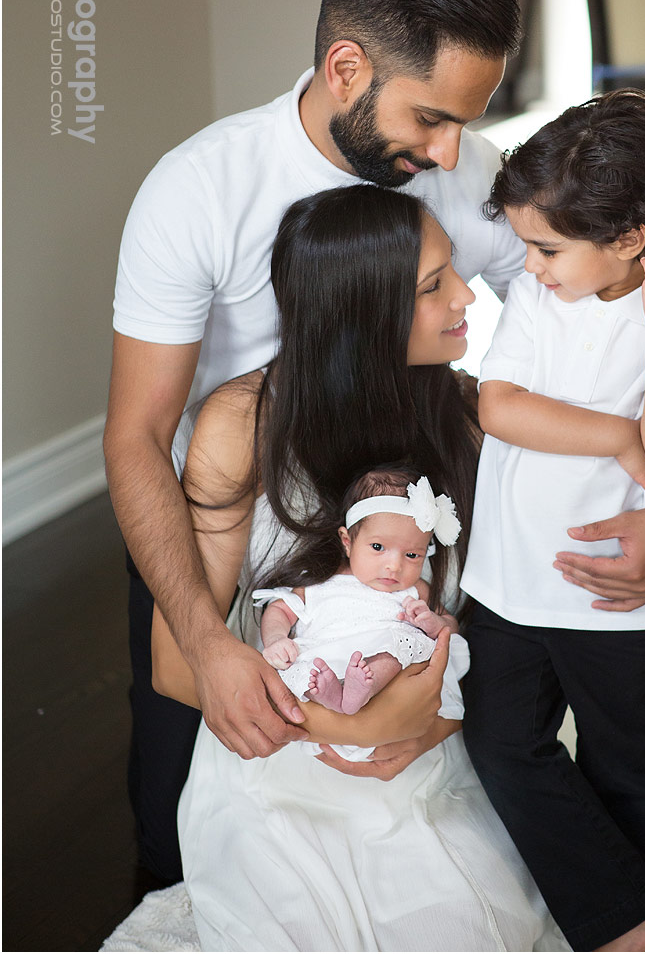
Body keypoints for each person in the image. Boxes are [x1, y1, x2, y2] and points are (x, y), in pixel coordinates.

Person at [105, 0, 645, 886]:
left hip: (398, 515)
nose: (452, 148)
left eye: (469, 117)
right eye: (430, 116)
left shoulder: (464, 178)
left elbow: (620, 333)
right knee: (175, 824)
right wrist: (210, 644)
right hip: (220, 512)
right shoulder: (198, 192)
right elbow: (133, 434)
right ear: (347, 68)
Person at [152, 186, 568, 951]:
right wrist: (348, 722)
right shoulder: (239, 424)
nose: (467, 296)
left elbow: (523, 622)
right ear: (357, 311)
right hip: (277, 747)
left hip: (437, 736)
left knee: (461, 926)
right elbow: (176, 668)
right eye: (432, 285)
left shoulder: (474, 411)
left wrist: (434, 719)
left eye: (453, 273)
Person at [460, 89, 645, 951]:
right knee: (500, 743)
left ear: (624, 241)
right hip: (505, 583)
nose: (527, 266)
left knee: (628, 766)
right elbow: (497, 406)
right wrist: (617, 438)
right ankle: (624, 911)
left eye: (544, 247)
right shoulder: (540, 302)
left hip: (611, 596)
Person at [253, 467, 467, 759]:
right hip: (325, 653)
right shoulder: (320, 581)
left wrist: (434, 622)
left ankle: (356, 692)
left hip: (381, 682)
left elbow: (450, 628)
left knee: (394, 650)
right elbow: (280, 611)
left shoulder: (416, 590)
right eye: (378, 547)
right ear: (347, 541)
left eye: (412, 555)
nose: (394, 566)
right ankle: (327, 693)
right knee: (306, 668)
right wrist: (276, 638)